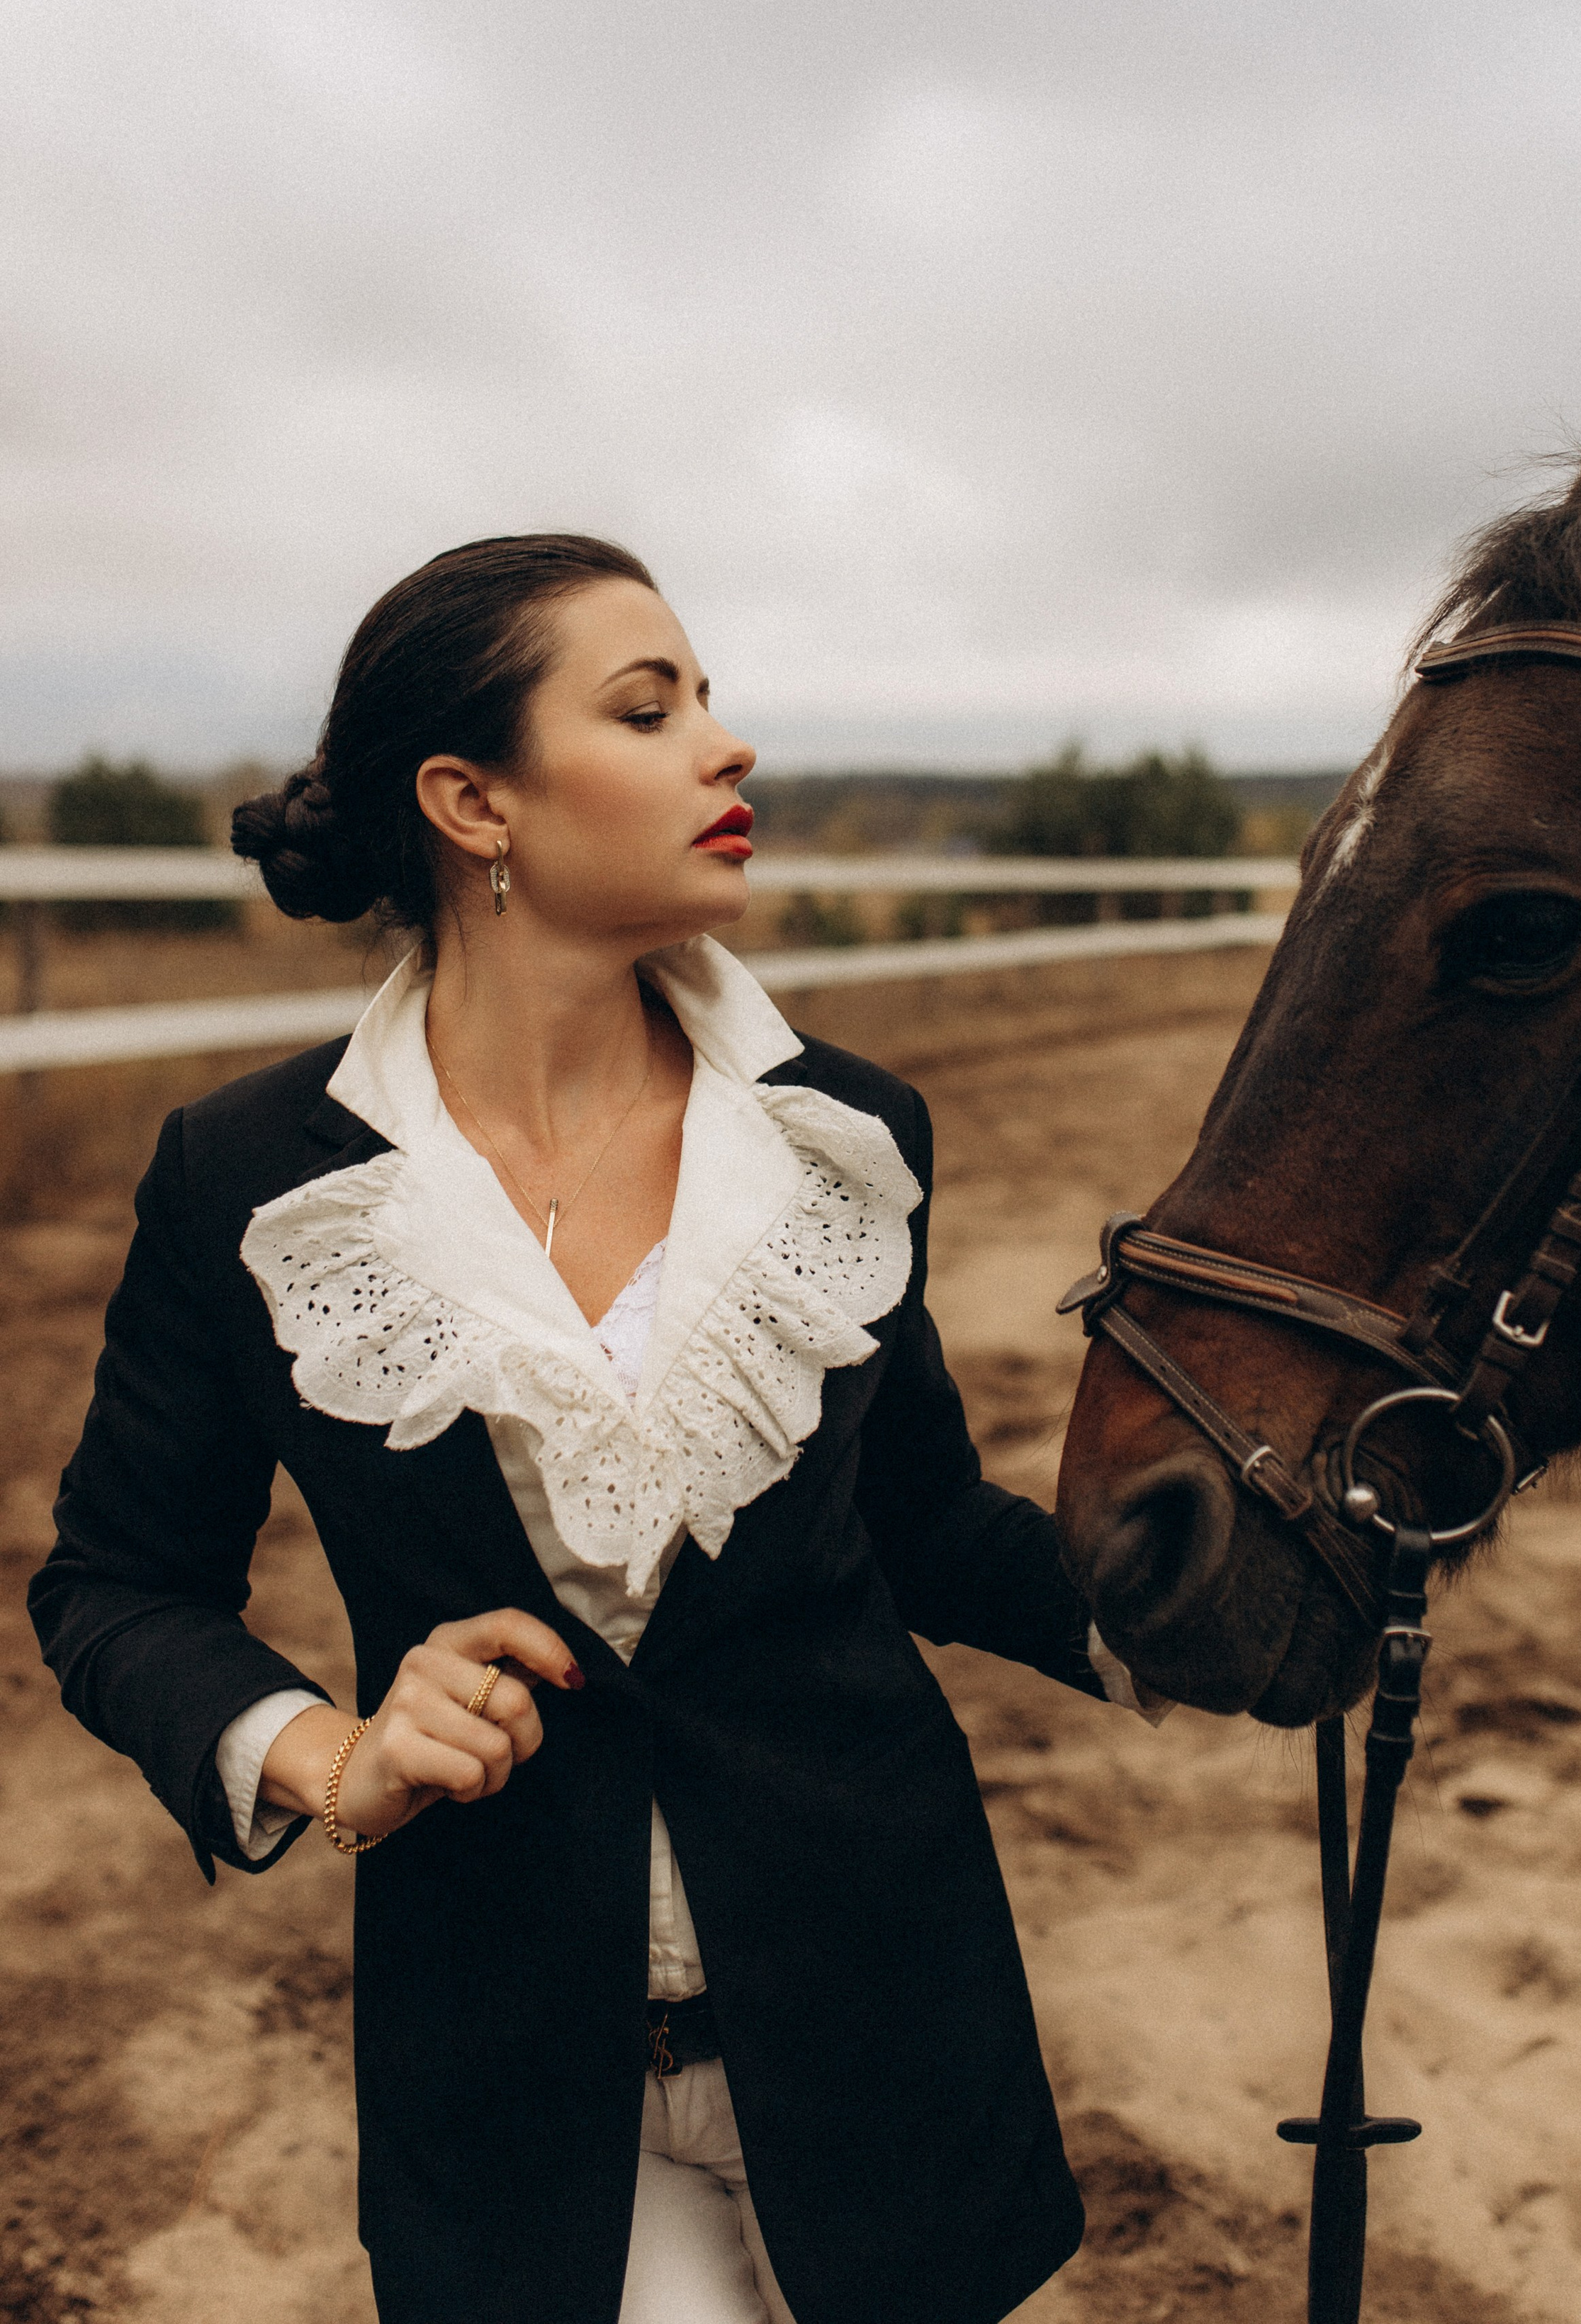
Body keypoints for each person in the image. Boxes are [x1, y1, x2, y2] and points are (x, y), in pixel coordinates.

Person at [30, 535, 1159, 2324]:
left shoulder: (845, 1136)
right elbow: (114, 1588)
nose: (729, 745)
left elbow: (924, 1522)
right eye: (649, 710)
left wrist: (1174, 1619)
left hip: (881, 2028)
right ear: (473, 803)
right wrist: (331, 1755)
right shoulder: (250, 1180)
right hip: (516, 2089)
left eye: (707, 698)